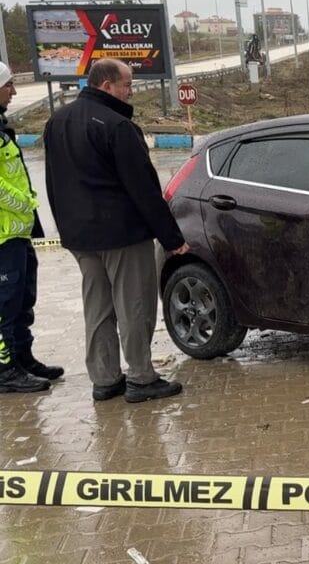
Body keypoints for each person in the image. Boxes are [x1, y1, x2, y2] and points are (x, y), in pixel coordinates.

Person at [43, 59, 189, 403]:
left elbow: (53, 184)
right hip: (122, 235)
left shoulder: (57, 121)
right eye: (127, 85)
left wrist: (66, 231)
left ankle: (105, 379)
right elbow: (144, 188)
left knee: (97, 307)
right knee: (134, 306)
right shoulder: (117, 125)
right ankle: (141, 378)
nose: (130, 91)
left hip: (80, 237)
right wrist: (172, 238)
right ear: (107, 85)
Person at [0, 61, 63, 394]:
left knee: (23, 299)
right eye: (8, 84)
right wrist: (24, 204)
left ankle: (22, 358)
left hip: (17, 233)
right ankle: (5, 370)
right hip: (3, 235)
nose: (14, 91)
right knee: (4, 304)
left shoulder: (2, 127)